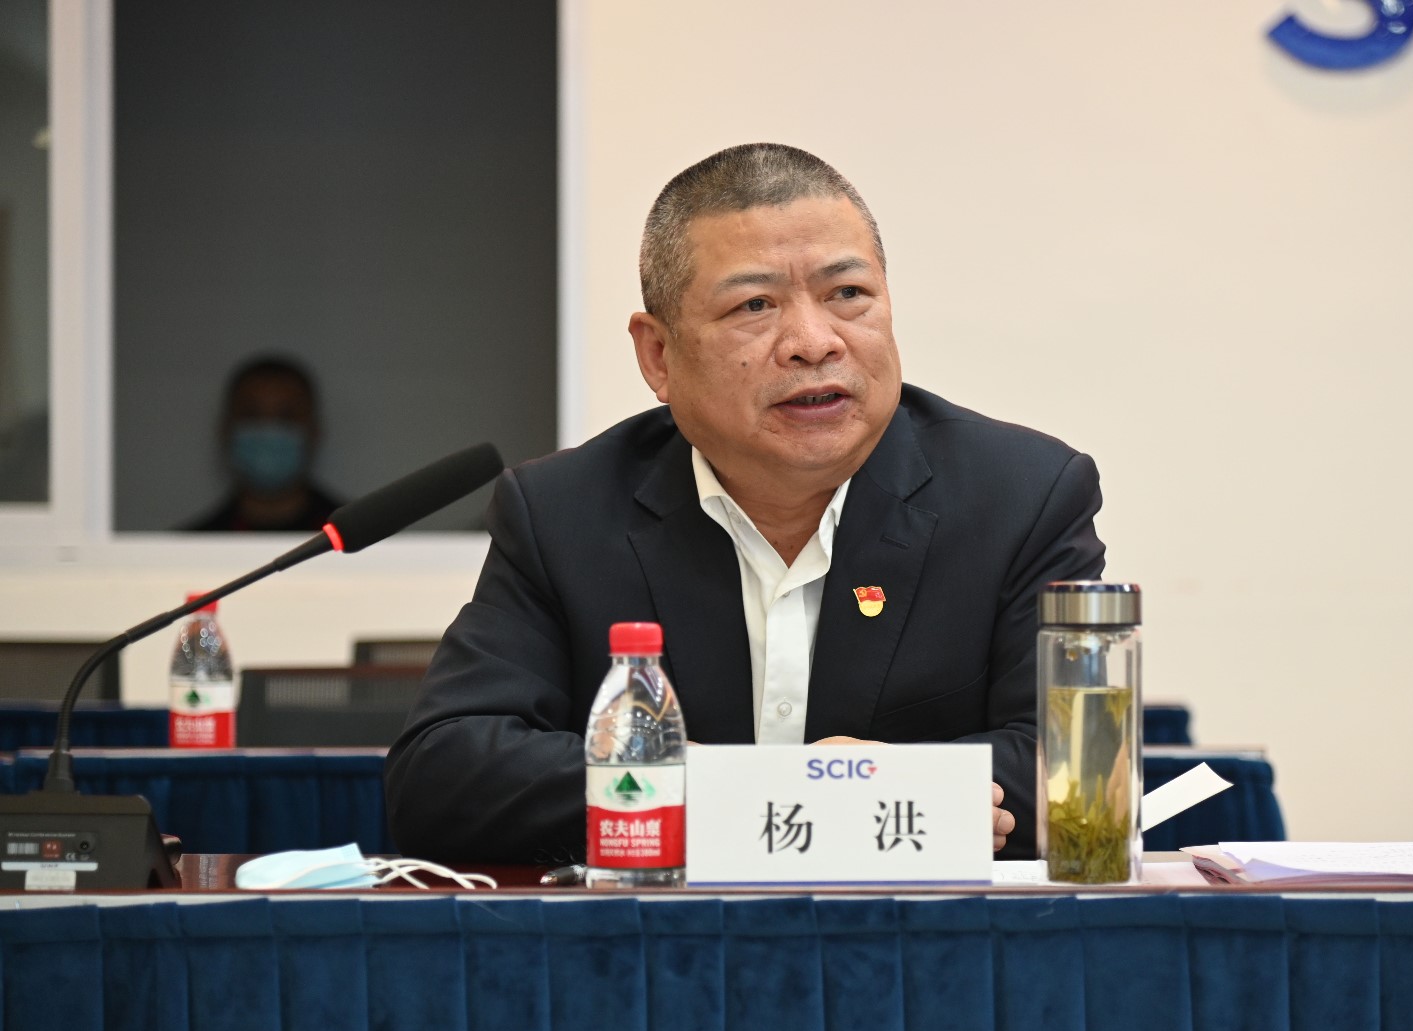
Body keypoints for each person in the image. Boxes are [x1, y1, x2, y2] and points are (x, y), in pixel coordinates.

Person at [385, 144, 1105, 864]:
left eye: (848, 293)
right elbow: (444, 774)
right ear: (658, 356)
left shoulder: (1022, 497)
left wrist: (883, 790)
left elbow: (1082, 770)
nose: (813, 343)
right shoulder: (563, 513)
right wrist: (730, 792)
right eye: (754, 305)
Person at [186, 353, 343, 532]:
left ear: (314, 432)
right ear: (225, 430)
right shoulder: (192, 544)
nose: (268, 430)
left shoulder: (358, 539)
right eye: (251, 416)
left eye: (286, 417)